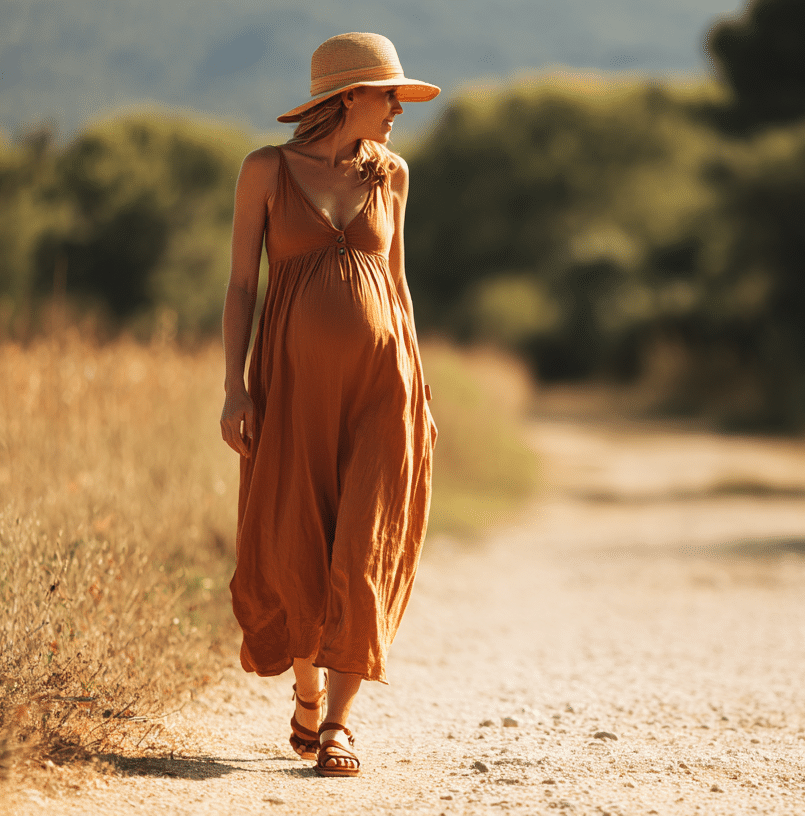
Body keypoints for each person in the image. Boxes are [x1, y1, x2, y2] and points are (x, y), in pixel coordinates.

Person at [218, 32, 440, 778]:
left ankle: (339, 725)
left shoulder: (392, 175)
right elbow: (241, 286)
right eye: (388, 96)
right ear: (348, 97)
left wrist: (420, 385)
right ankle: (307, 692)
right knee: (297, 541)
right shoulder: (265, 170)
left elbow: (397, 286)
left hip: (383, 385)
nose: (397, 111)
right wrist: (234, 387)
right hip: (291, 386)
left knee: (365, 542)